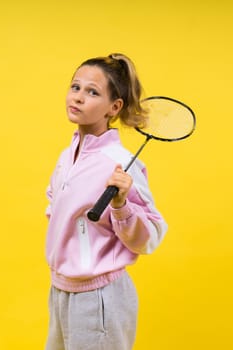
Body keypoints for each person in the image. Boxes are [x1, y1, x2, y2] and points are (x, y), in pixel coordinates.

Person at [44, 53, 168, 350]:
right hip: (61, 290)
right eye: (75, 87)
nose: (78, 97)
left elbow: (150, 238)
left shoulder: (120, 164)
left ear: (114, 107)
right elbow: (57, 208)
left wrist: (121, 205)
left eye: (92, 92)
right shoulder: (67, 156)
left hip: (99, 298)